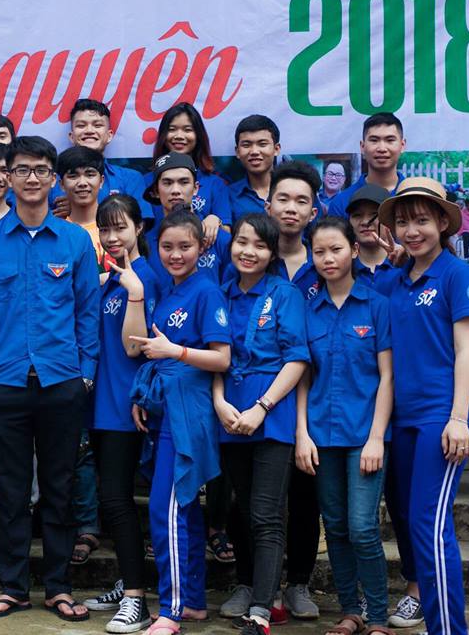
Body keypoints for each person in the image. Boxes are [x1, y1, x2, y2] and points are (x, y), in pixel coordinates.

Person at [0, 136, 100, 621]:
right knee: (12, 491)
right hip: (2, 384)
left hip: (62, 381)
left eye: (42, 169)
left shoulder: (75, 241)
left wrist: (86, 375)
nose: (31, 178)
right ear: (6, 177)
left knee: (60, 488)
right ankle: (14, 587)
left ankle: (59, 587)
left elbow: (87, 313)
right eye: (22, 169)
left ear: (54, 178)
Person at [378, 177, 469, 635]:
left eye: (421, 220)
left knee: (429, 524)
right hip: (402, 420)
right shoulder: (396, 280)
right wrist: (394, 263)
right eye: (403, 222)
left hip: (442, 418)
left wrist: (458, 418)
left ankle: (450, 630)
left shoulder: (457, 274)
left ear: (443, 222)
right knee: (412, 523)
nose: (411, 230)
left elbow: (465, 351)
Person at [127, 210, 232, 635]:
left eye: (185, 246)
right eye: (167, 247)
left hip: (190, 412)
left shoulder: (206, 292)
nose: (175, 254)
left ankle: (170, 610)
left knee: (165, 508)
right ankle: (192, 603)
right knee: (182, 508)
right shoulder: (169, 291)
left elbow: (222, 359)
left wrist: (176, 352)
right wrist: (145, 395)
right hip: (165, 407)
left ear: (202, 247)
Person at [295, 216, 393, 635]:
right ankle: (350, 611)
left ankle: (378, 616)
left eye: (336, 249)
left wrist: (376, 438)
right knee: (334, 527)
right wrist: (302, 433)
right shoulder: (308, 310)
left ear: (353, 250)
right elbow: (303, 377)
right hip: (322, 434)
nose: (328, 258)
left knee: (363, 528)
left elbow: (387, 377)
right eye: (319, 252)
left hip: (364, 436)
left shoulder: (377, 305)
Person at [213, 213, 309, 635]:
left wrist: (262, 407)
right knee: (241, 506)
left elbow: (297, 359)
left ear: (272, 253)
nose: (248, 251)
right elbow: (215, 355)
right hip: (229, 415)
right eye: (242, 242)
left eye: (259, 245)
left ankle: (261, 612)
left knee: (267, 513)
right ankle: (250, 586)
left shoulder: (284, 294)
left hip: (272, 416)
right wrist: (219, 402)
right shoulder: (221, 293)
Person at [81, 195, 159, 632]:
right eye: (105, 229)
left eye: (120, 227)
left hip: (127, 409)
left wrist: (134, 291)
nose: (111, 237)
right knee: (113, 501)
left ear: (139, 228)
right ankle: (126, 580)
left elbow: (136, 348)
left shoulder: (144, 278)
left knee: (116, 499)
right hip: (101, 406)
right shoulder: (110, 279)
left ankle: (136, 598)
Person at [265, 161, 323, 621]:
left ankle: (299, 582)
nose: (291, 208)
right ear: (268, 205)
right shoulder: (249, 258)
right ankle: (253, 583)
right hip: (256, 399)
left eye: (301, 201)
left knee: (306, 496)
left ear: (313, 211)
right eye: (283, 198)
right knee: (254, 500)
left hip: (315, 399)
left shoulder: (325, 263)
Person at [56, 145, 107, 566]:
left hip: (120, 350)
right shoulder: (55, 231)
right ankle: (84, 524)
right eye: (73, 175)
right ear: (62, 182)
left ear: (102, 180)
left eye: (90, 173)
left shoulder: (117, 226)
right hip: (69, 353)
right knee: (77, 442)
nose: (82, 182)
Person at [54, 99, 153, 222]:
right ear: (71, 136)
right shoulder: (53, 181)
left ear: (109, 135)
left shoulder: (131, 178)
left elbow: (140, 225)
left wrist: (78, 208)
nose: (89, 131)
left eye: (97, 125)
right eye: (81, 125)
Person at [145, 102, 232, 241]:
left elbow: (226, 234)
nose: (179, 136)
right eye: (172, 129)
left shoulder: (215, 183)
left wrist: (215, 220)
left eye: (187, 130)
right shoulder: (147, 181)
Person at [144, 152, 231, 288]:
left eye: (184, 182)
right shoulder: (145, 243)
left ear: (196, 188)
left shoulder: (219, 239)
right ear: (156, 191)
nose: (175, 190)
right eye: (167, 183)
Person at [327, 113, 406, 218]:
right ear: (362, 146)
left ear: (402, 145)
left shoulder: (415, 196)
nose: (382, 148)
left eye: (390, 140)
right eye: (374, 140)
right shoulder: (341, 203)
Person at [345, 184, 401, 290]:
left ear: (391, 219)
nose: (365, 222)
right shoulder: (342, 266)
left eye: (374, 215)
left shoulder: (407, 263)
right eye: (357, 215)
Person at [228, 115, 281, 223]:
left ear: (276, 149)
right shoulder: (228, 195)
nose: (254, 152)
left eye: (262, 144)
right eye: (246, 145)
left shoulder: (297, 189)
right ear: (237, 152)